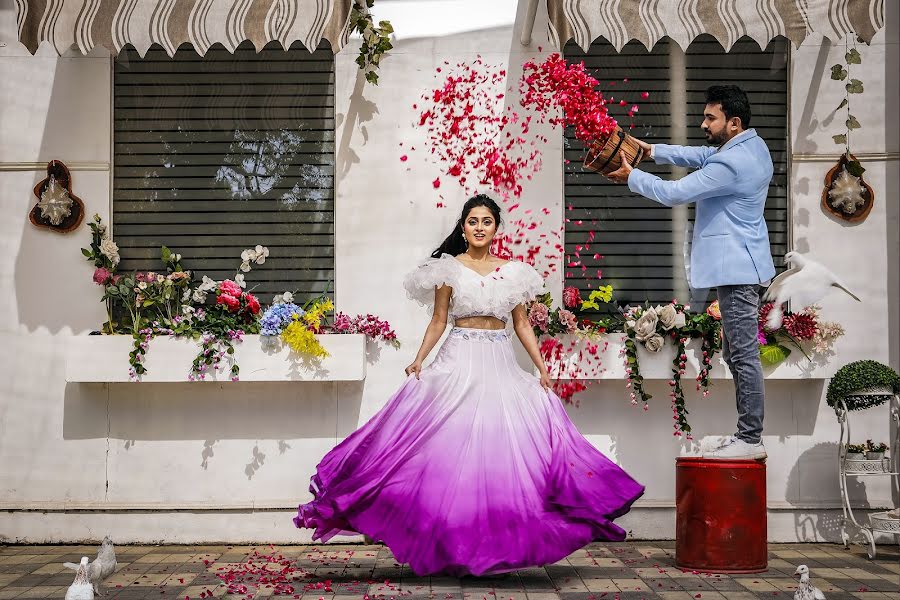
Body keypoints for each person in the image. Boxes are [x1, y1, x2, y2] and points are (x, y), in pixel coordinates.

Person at [294, 194, 644, 576]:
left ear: (496, 228)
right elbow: (439, 320)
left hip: (498, 361)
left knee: (498, 449)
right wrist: (419, 359)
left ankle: (493, 544)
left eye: (486, 221)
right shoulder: (448, 270)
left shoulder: (513, 272)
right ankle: (445, 540)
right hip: (457, 358)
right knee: (445, 447)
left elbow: (523, 324)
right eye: (472, 221)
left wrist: (542, 368)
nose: (479, 227)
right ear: (463, 227)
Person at [606, 85, 775, 460]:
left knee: (744, 356)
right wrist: (652, 150)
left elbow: (674, 193)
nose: (703, 124)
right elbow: (702, 154)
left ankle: (751, 438)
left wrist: (632, 175)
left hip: (738, 273)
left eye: (709, 118)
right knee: (736, 354)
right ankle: (746, 434)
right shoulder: (752, 146)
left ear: (733, 123)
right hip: (742, 269)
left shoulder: (732, 163)